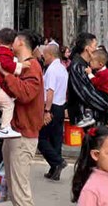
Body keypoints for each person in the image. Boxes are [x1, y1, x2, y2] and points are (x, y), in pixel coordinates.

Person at [0, 30, 45, 206]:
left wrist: (6, 74)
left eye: (14, 40)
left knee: (20, 191)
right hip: (15, 132)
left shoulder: (32, 66)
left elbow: (26, 93)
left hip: (24, 134)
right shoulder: (21, 65)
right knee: (14, 188)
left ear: (21, 43)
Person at [38, 43, 69, 181]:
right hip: (60, 106)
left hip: (51, 107)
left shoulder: (51, 70)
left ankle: (57, 161)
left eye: (44, 55)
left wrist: (46, 111)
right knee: (56, 139)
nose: (43, 57)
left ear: (50, 55)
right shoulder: (62, 68)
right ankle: (54, 169)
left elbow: (50, 92)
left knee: (41, 139)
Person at [67, 33, 108, 127]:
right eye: (95, 46)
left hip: (93, 115)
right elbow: (86, 93)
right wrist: (105, 105)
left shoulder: (87, 65)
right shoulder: (77, 66)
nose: (97, 49)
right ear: (87, 48)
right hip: (84, 118)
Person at [86, 49, 108, 118]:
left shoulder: (104, 74)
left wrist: (89, 73)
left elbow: (95, 82)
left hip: (107, 97)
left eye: (92, 61)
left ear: (100, 64)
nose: (90, 62)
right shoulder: (103, 71)